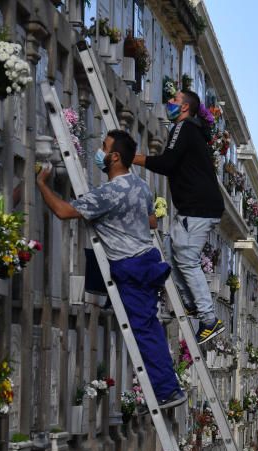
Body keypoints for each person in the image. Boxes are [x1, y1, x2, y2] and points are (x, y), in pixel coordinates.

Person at [36, 130, 186, 409]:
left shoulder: (109, 192)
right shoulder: (140, 186)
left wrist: (43, 184)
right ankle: (167, 386)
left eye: (103, 147)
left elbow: (64, 212)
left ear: (115, 156)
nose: (99, 152)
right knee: (149, 326)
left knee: (144, 331)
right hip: (148, 260)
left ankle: (167, 390)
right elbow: (152, 221)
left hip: (132, 268)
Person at [133, 89, 225, 345]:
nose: (169, 102)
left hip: (197, 208)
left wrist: (134, 158)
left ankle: (209, 320)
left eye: (174, 100)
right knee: (172, 251)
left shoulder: (183, 129)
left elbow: (168, 163)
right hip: (193, 208)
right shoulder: (190, 130)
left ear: (185, 108)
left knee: (187, 261)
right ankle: (190, 303)